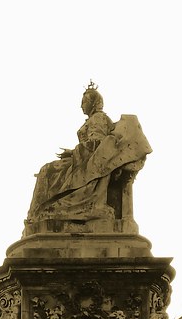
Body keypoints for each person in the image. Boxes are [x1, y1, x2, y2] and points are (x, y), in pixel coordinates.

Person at [26, 85, 151, 226]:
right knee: (46, 170)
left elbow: (97, 144)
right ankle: (37, 215)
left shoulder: (98, 118)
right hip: (83, 159)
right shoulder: (94, 119)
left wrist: (73, 153)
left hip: (89, 162)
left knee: (46, 171)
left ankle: (38, 214)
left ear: (93, 103)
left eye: (84, 102)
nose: (81, 106)